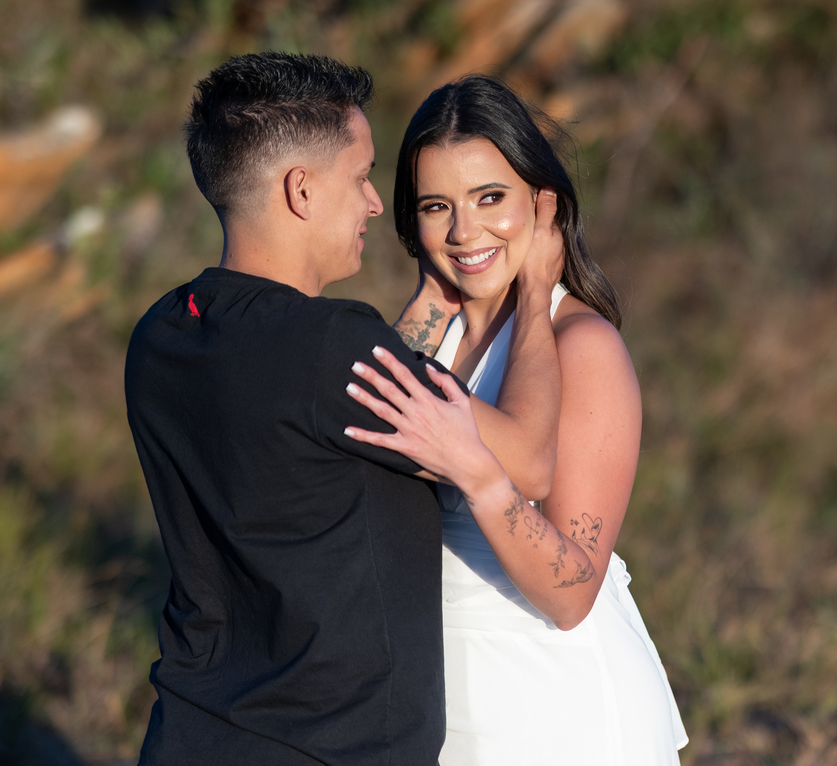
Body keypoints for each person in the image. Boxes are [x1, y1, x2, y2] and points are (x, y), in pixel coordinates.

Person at [124, 54, 564, 765]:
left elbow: (321, 407)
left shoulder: (162, 334)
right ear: (301, 190)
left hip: (188, 737)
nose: (372, 203)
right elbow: (530, 462)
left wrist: (430, 300)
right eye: (360, 177)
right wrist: (538, 296)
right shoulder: (330, 344)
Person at [342, 76, 688, 766]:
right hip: (446, 708)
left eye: (490, 198)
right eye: (437, 207)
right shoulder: (432, 338)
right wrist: (432, 293)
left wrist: (533, 297)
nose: (465, 231)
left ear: (541, 200)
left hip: (557, 710)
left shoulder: (581, 346)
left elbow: (573, 594)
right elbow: (367, 427)